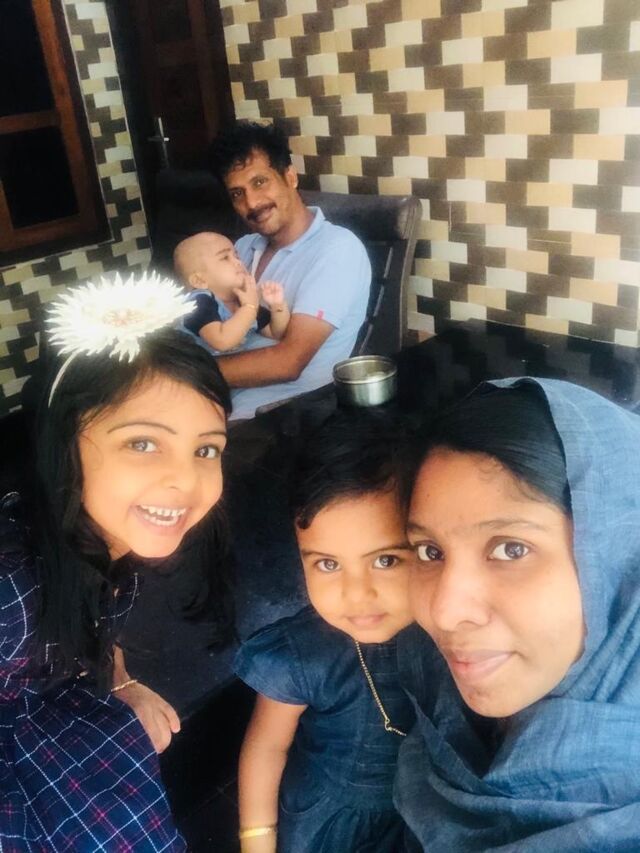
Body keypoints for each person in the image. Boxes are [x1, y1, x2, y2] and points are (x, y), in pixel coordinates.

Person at [0, 272, 233, 851]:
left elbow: (95, 623)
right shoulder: (10, 587)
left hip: (56, 719)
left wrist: (122, 679)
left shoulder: (107, 545)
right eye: (143, 443)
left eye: (206, 449)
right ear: (66, 443)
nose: (185, 480)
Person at [396, 377, 640, 851]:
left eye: (511, 549)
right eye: (429, 551)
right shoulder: (436, 696)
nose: (445, 613)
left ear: (619, 560)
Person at [234, 412, 416, 852]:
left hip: (419, 813)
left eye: (386, 560)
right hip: (330, 824)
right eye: (328, 564)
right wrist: (257, 841)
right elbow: (266, 747)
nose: (356, 595)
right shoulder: (304, 654)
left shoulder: (448, 632)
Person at [209, 120, 371, 419]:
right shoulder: (242, 248)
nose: (252, 203)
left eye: (260, 182)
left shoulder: (337, 249)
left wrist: (186, 371)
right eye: (237, 194)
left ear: (290, 177)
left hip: (278, 420)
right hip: (212, 402)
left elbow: (289, 362)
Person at [174, 231, 290, 352]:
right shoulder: (198, 303)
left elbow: (274, 333)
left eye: (237, 256)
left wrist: (277, 306)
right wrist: (249, 307)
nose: (238, 262)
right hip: (207, 362)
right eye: (225, 258)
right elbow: (221, 341)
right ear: (199, 281)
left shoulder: (242, 299)